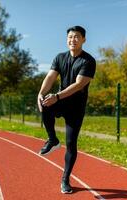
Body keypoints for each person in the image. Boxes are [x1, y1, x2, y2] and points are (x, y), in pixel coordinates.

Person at [37, 25, 96, 194]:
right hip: (61, 100)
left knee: (71, 143)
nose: (73, 40)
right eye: (70, 37)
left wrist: (56, 96)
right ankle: (52, 140)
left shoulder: (88, 61)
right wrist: (41, 94)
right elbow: (50, 77)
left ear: (83, 39)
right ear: (66, 39)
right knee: (44, 103)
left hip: (76, 106)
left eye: (77, 37)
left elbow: (78, 85)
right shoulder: (59, 57)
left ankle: (65, 179)